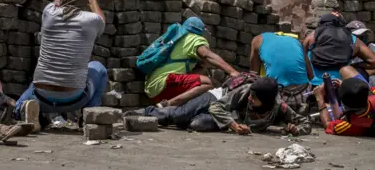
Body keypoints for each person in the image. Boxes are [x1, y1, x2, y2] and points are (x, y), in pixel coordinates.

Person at [15, 0, 108, 129]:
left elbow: (58, 0)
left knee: (34, 83)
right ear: (83, 0)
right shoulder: (92, 20)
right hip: (75, 98)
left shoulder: (49, 13)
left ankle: (25, 110)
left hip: (41, 96)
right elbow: (102, 19)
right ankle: (88, 116)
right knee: (99, 68)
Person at [129, 77, 311, 136]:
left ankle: (174, 115)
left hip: (226, 115)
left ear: (266, 100)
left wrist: (296, 129)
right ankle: (143, 113)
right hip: (216, 99)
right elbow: (217, 107)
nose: (250, 99)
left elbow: (305, 123)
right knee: (179, 116)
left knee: (196, 125)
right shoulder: (246, 91)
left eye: (255, 98)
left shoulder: (279, 107)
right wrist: (233, 125)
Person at [144, 17, 239, 107]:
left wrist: (203, 66)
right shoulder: (193, 39)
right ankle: (168, 105)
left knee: (212, 84)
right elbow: (207, 55)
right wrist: (232, 71)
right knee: (207, 82)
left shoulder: (176, 38)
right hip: (164, 83)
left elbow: (193, 76)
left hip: (154, 90)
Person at [303, 12, 375, 86]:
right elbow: (373, 61)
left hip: (315, 83)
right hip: (341, 84)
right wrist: (355, 66)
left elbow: (302, 59)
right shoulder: (352, 38)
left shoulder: (311, 36)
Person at [250, 32, 313, 113]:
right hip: (304, 94)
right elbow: (310, 75)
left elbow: (253, 75)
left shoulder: (257, 40)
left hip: (278, 96)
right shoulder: (296, 42)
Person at [314, 66, 375, 136]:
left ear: (344, 105)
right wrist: (347, 86)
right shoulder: (371, 97)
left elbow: (327, 124)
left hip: (363, 122)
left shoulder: (352, 125)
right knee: (346, 70)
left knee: (327, 106)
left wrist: (320, 98)